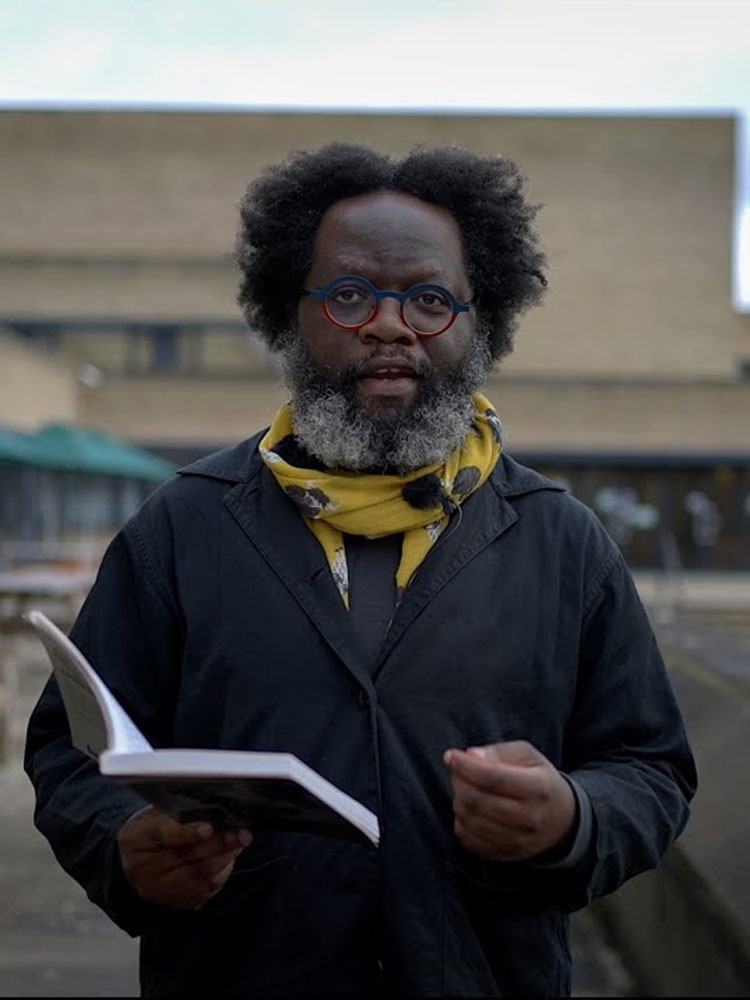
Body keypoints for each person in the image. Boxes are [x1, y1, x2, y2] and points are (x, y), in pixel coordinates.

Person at [25, 142, 696, 997]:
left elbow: (651, 765)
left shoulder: (562, 541)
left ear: (475, 320)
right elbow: (71, 749)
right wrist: (124, 844)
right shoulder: (181, 527)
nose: (389, 325)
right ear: (288, 314)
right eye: (349, 296)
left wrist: (576, 817)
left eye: (427, 299)